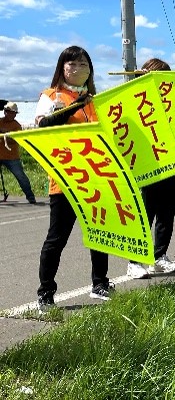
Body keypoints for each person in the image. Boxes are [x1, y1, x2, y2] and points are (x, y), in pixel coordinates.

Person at [34, 46, 113, 312]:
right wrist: (71, 108)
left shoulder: (96, 100)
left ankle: (100, 283)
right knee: (57, 238)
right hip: (66, 178)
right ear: (62, 68)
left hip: (95, 177)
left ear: (90, 69)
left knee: (100, 234)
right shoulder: (50, 96)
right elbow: (43, 126)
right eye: (72, 64)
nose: (77, 69)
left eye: (83, 64)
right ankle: (45, 292)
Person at [126, 58, 175, 279]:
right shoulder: (137, 101)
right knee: (145, 215)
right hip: (148, 167)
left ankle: (159, 257)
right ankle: (134, 261)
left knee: (166, 215)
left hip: (172, 166)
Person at [0, 102, 37, 203]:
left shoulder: (17, 126)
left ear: (15, 114)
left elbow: (14, 140)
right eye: (6, 111)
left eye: (10, 112)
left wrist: (3, 134)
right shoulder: (0, 121)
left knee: (20, 176)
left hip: (11, 157)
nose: (8, 114)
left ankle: (30, 196)